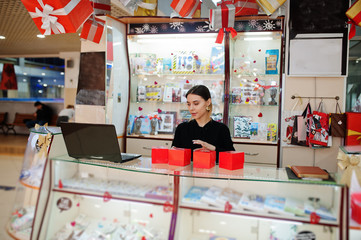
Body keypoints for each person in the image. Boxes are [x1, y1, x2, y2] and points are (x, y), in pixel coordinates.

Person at [172, 85, 235, 160]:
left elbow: (231, 158)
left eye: (196, 104)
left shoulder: (221, 129)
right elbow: (174, 157)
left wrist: (213, 148)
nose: (191, 108)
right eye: (188, 104)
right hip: (187, 171)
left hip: (214, 171)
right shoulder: (182, 128)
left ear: (208, 102)